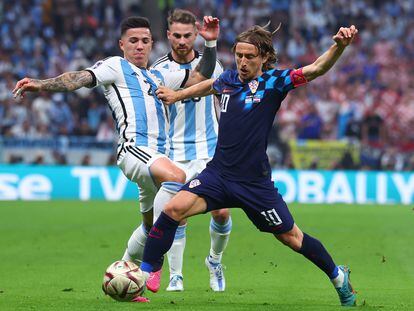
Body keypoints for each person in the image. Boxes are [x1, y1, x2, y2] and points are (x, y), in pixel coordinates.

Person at [142, 24, 359, 306]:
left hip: (254, 184)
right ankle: (146, 272)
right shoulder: (230, 79)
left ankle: (338, 276)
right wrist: (177, 95)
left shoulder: (275, 82)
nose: (243, 62)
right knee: (172, 209)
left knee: (292, 238)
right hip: (217, 175)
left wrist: (339, 47)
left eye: (249, 57)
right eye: (239, 56)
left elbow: (315, 69)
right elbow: (211, 84)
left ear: (264, 57)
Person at [12, 15, 220, 302]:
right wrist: (41, 84)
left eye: (145, 41)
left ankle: (123, 276)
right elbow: (79, 79)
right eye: (133, 41)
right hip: (135, 150)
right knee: (177, 178)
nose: (139, 46)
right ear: (122, 44)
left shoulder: (160, 76)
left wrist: (209, 42)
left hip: (158, 157)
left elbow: (200, 77)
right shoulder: (116, 66)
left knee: (149, 227)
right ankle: (154, 263)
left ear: (151, 44)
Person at [149, 9, 231, 293]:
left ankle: (215, 261)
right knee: (178, 213)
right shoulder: (158, 70)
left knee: (221, 212)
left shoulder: (214, 66)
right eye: (177, 36)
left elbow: (216, 94)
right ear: (168, 35)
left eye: (187, 35)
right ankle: (176, 275)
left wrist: (210, 46)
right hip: (176, 153)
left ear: (195, 34)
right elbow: (197, 81)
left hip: (210, 151)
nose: (182, 41)